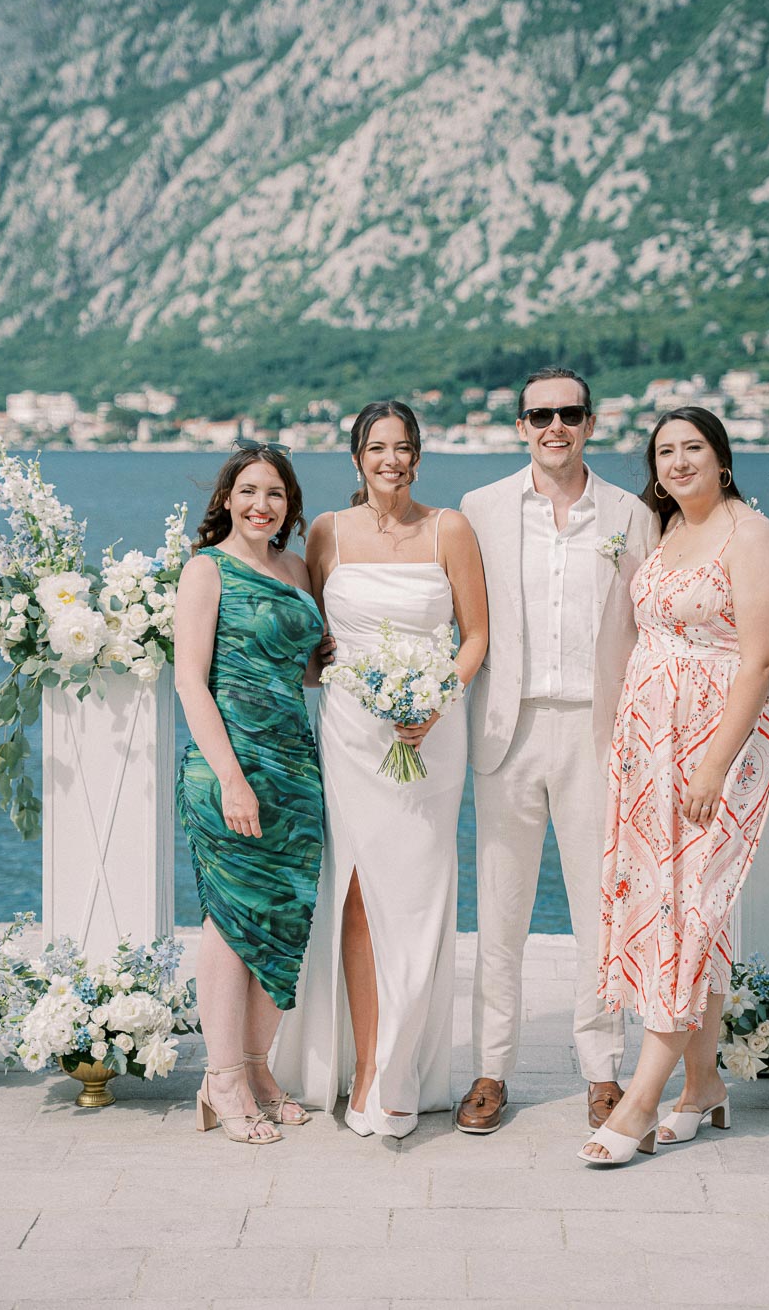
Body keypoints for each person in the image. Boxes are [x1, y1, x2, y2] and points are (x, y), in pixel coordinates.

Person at [272, 400, 488, 1137]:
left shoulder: (449, 527)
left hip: (432, 732)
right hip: (351, 731)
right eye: (376, 447)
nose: (390, 460)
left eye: (402, 448)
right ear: (356, 458)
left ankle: (405, 1069)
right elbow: (314, 640)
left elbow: (475, 633)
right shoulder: (327, 531)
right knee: (359, 896)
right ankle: (366, 1070)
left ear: (418, 456)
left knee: (420, 898)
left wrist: (434, 704)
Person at [456, 367, 660, 1135]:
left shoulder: (630, 515)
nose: (555, 426)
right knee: (499, 911)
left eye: (569, 413)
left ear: (591, 422)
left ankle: (602, 1072)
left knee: (598, 913)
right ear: (520, 425)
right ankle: (491, 1069)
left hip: (597, 732)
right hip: (506, 730)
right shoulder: (480, 510)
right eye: (540, 414)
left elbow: (649, 625)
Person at [580, 407, 769, 1164]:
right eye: (664, 451)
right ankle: (704, 1088)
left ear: (722, 457)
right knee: (680, 908)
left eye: (691, 447)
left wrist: (711, 766)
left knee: (689, 910)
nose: (677, 461)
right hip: (650, 745)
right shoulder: (664, 534)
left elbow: (762, 659)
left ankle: (639, 1102)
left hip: (714, 747)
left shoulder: (750, 534)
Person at [175, 444, 325, 1144]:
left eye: (276, 494)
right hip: (229, 766)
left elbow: (304, 672)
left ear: (290, 506)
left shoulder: (295, 570)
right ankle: (222, 1078)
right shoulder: (206, 570)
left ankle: (258, 1068)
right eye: (249, 490)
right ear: (228, 499)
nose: (262, 504)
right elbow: (189, 682)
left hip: (295, 766)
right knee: (232, 923)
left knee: (286, 920)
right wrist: (233, 778)